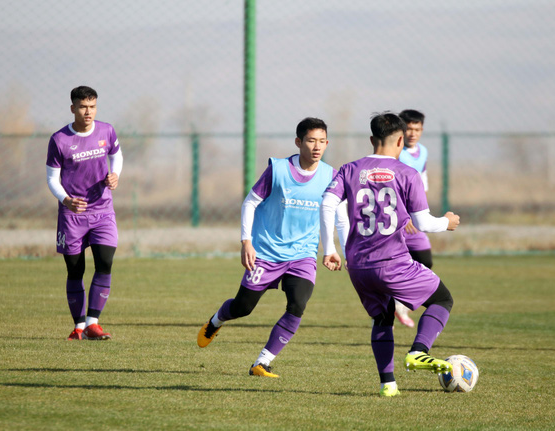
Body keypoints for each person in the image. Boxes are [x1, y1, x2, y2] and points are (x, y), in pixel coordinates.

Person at [320, 112, 460, 397]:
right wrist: (447, 222)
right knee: (443, 299)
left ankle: (388, 385)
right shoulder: (407, 173)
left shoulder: (349, 169)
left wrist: (331, 249)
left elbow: (327, 204)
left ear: (372, 139)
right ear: (400, 140)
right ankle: (419, 352)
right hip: (393, 262)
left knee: (382, 318)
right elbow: (422, 224)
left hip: (358, 266)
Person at [197, 117, 348, 378]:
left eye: (322, 141)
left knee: (298, 304)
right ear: (298, 142)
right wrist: (246, 241)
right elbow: (249, 203)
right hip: (266, 253)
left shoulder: (331, 176)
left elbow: (338, 216)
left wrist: (334, 249)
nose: (317, 146)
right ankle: (216, 321)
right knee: (243, 308)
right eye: (311, 140)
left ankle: (262, 362)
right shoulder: (278, 170)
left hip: (302, 254)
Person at [46, 86, 123, 341]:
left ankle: (93, 324)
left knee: (105, 263)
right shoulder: (59, 140)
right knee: (75, 271)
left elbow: (117, 155)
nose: (88, 111)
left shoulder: (106, 130)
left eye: (92, 106)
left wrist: (115, 175)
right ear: (73, 108)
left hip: (102, 211)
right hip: (72, 216)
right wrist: (66, 200)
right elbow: (52, 179)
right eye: (82, 106)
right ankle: (79, 327)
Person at [393, 109, 432, 328]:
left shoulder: (423, 152)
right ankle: (385, 309)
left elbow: (421, 182)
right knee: (389, 263)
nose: (412, 133)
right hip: (397, 220)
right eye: (408, 129)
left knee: (425, 261)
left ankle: (401, 303)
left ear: (422, 130)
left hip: (414, 220)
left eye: (417, 129)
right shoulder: (396, 153)